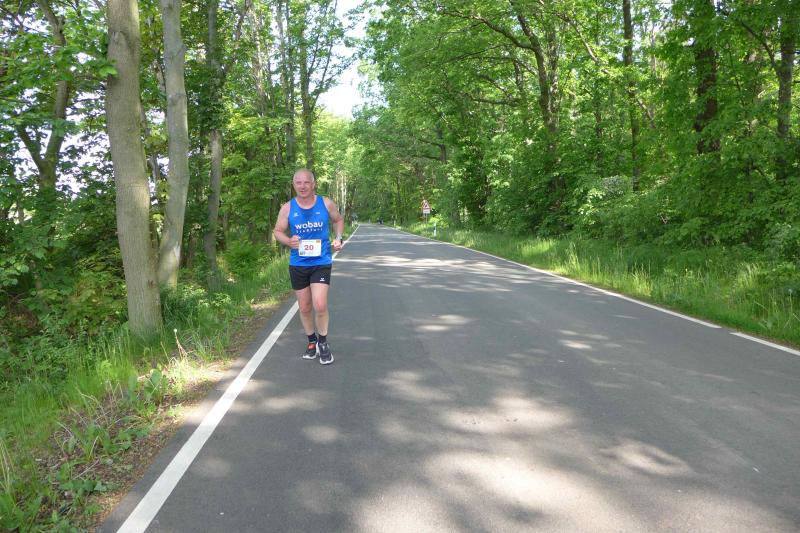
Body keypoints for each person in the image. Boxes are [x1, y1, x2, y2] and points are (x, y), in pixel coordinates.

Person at [273, 169, 344, 365]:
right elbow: (277, 231)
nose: (302, 186)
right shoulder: (287, 208)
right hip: (298, 263)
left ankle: (323, 342)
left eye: (306, 182)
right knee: (304, 307)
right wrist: (288, 241)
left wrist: (338, 238)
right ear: (294, 185)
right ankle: (312, 341)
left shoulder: (325, 203)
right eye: (298, 182)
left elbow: (338, 220)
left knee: (319, 304)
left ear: (313, 184)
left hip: (321, 261)